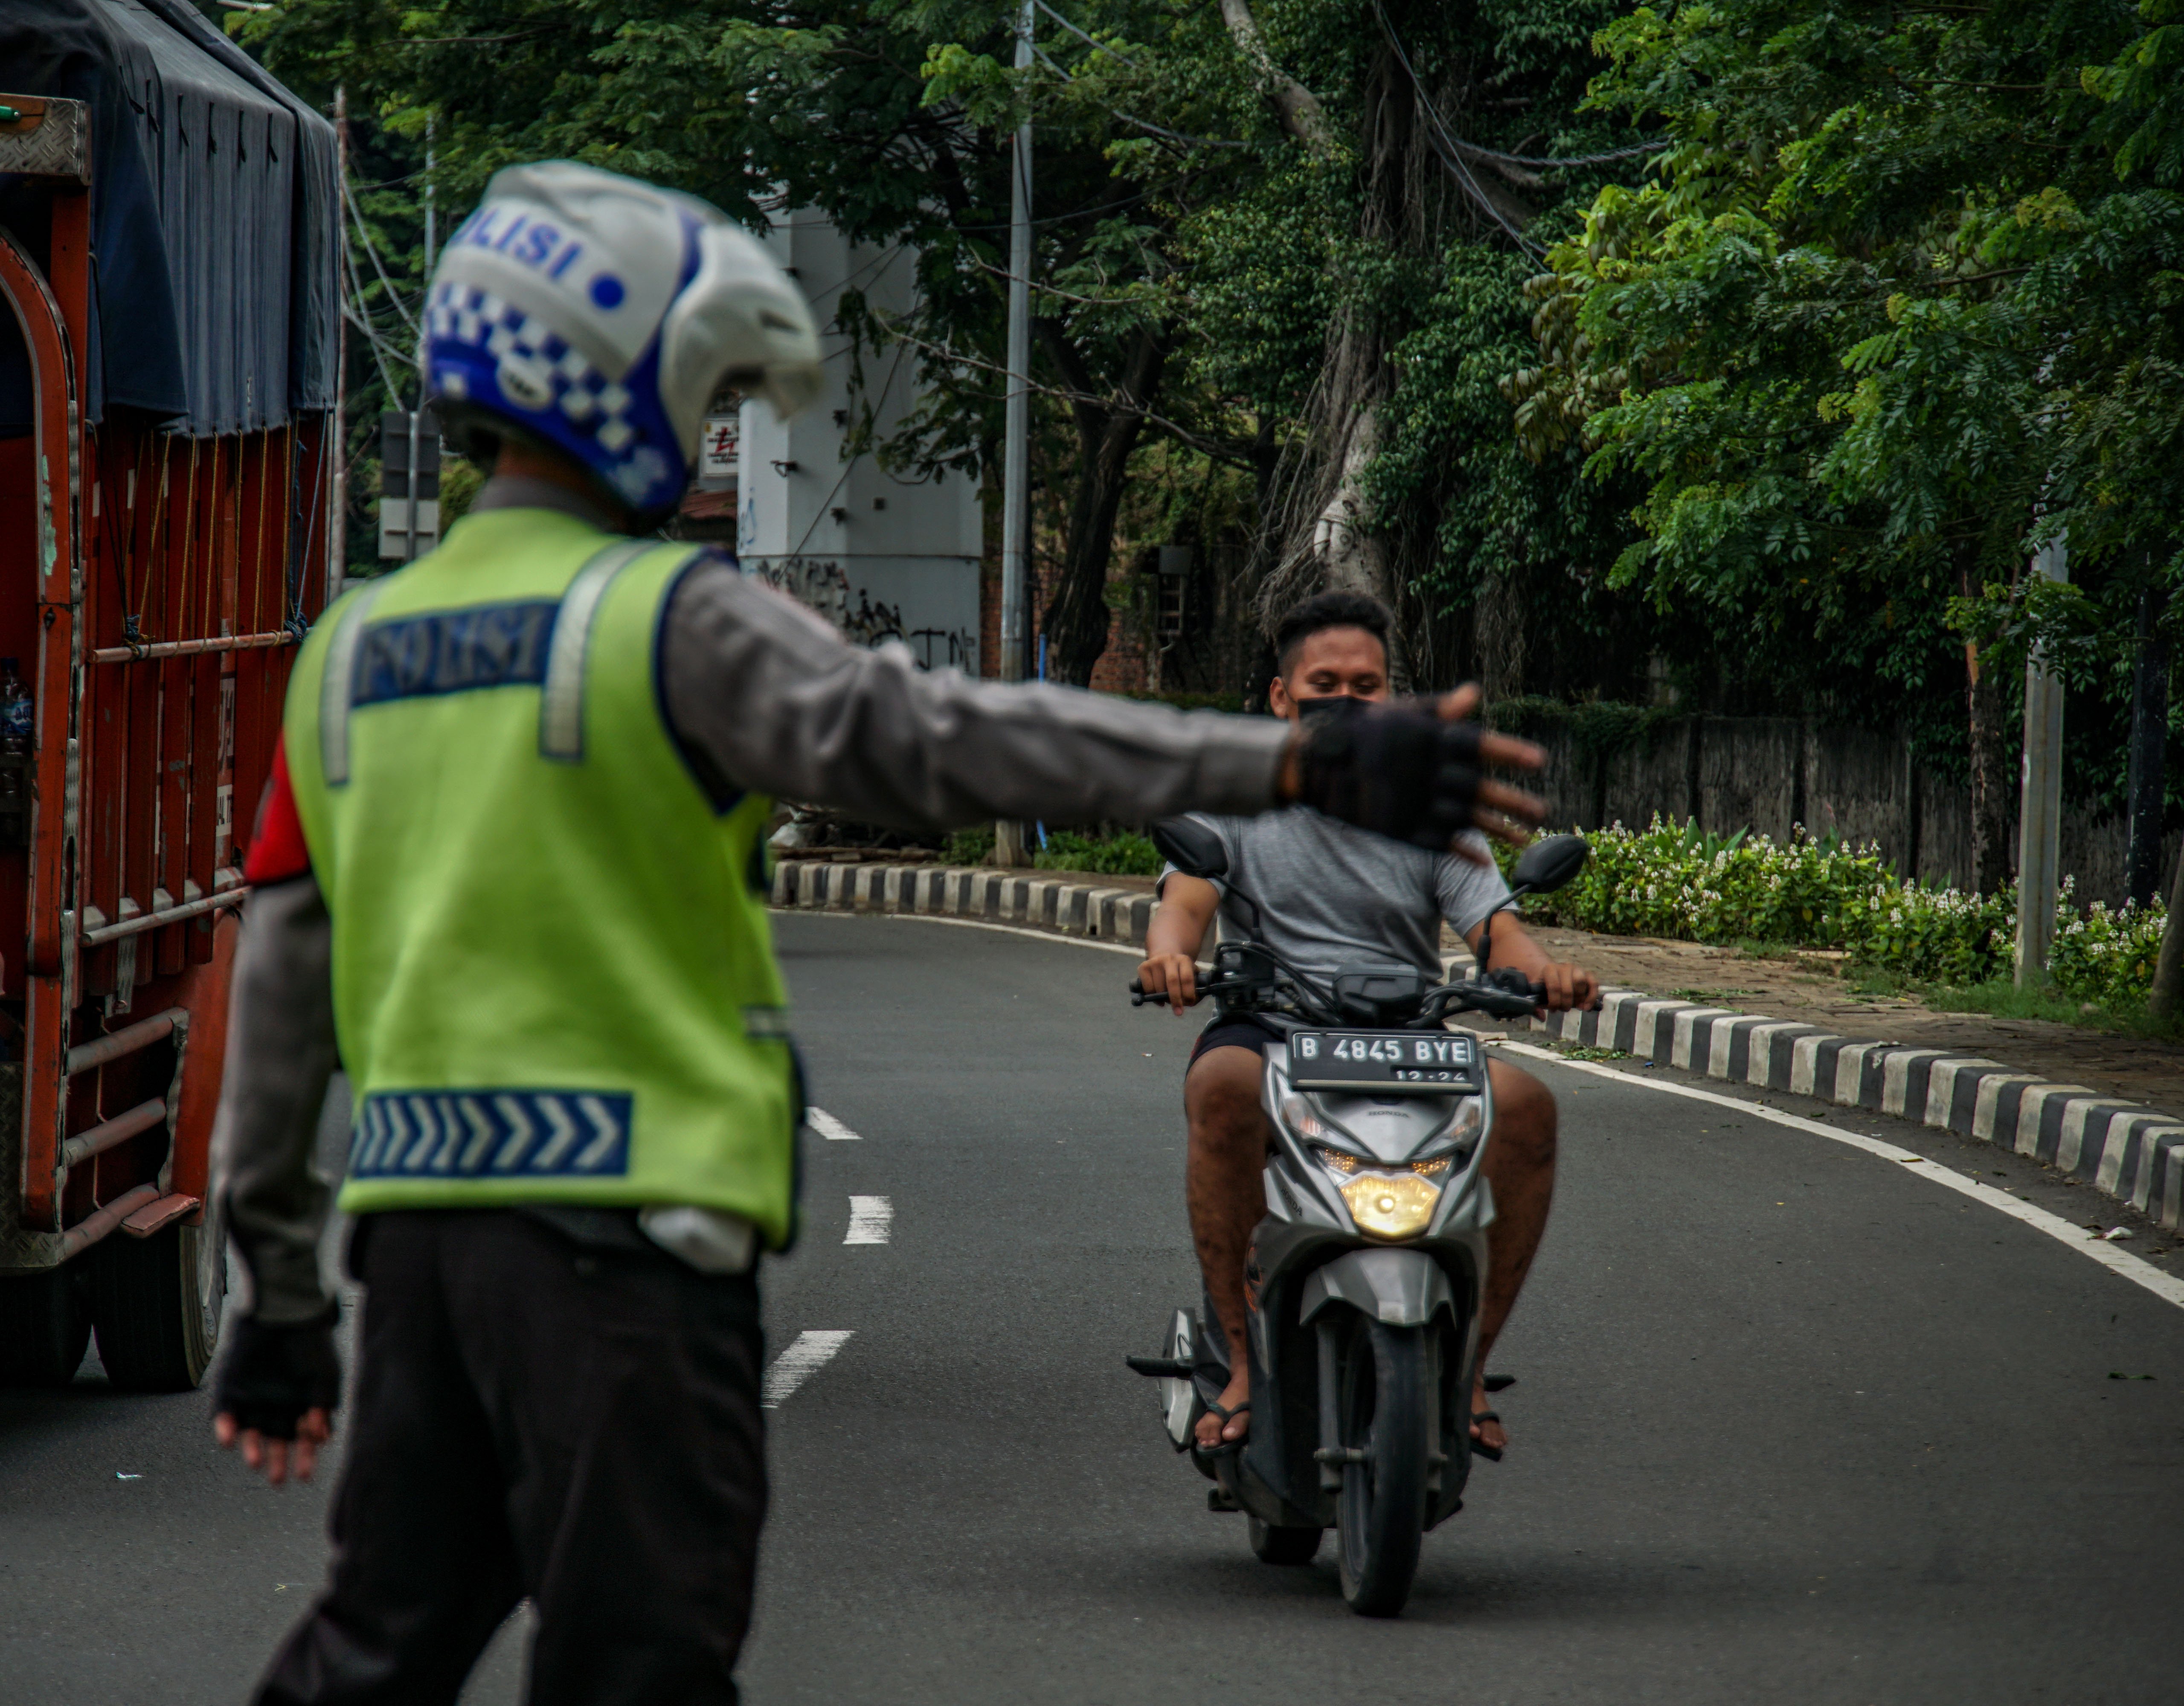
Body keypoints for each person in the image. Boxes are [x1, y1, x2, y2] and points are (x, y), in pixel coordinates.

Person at [209, 161, 1549, 1706]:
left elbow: (283, 1004)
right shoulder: (667, 621)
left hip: (423, 1262)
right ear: (612, 383)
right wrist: (1296, 762)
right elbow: (954, 742)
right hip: (629, 1260)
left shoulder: (350, 655)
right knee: (638, 1670)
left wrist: (278, 1307)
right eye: (699, 384)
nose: (708, 426)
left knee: (371, 1654)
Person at [1133, 591, 1599, 1462]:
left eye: (1367, 684)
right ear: (1281, 699)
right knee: (1217, 1085)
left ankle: (1464, 1368)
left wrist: (1548, 977)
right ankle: (1242, 1361)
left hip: (1409, 1041)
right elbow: (1184, 904)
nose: (1347, 700)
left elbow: (1499, 932)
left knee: (1529, 1105)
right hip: (1274, 1032)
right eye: (1325, 684)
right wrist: (1171, 956)